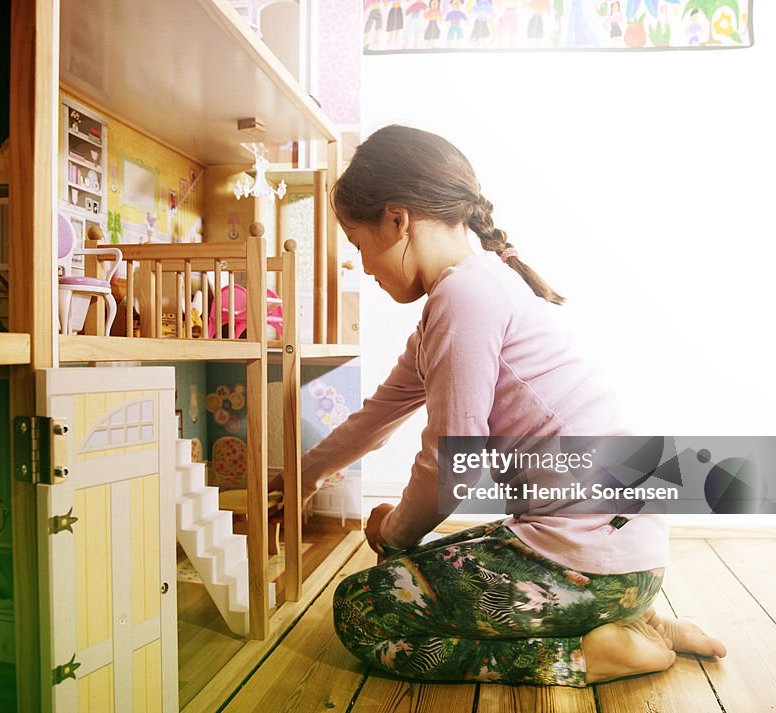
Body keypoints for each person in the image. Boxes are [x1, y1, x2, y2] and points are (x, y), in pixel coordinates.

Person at [299, 125, 726, 686]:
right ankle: (642, 622)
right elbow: (377, 417)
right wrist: (303, 473)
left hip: (588, 562)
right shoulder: (471, 293)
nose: (364, 266)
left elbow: (456, 464)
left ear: (397, 220)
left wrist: (398, 533)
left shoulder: (464, 297)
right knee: (431, 561)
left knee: (361, 609)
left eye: (358, 244)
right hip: (623, 558)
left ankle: (584, 655)